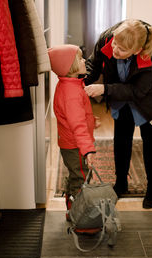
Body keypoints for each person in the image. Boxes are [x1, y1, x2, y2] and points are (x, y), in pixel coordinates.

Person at [84, 19, 152, 209]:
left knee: (151, 142)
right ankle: (121, 183)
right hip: (121, 93)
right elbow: (93, 65)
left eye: (121, 50)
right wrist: (79, 83)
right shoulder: (108, 39)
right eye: (115, 44)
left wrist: (105, 89)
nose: (115, 50)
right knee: (121, 138)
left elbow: (138, 91)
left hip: (151, 97)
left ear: (137, 51)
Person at [48, 45, 100, 220]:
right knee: (81, 177)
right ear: (70, 67)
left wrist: (92, 121)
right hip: (76, 146)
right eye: (80, 58)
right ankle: (80, 216)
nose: (85, 60)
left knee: (77, 175)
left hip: (69, 142)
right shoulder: (71, 93)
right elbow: (77, 124)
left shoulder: (69, 85)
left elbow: (74, 117)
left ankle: (72, 208)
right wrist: (88, 149)